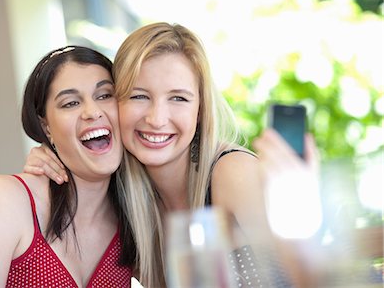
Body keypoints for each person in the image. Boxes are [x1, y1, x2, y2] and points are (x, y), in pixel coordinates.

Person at [24, 23, 317, 287]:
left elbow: (313, 276)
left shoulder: (231, 173)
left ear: (200, 110)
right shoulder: (128, 205)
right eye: (139, 96)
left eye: (178, 98)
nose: (157, 118)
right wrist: (53, 159)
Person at [0, 46, 134, 287]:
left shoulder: (133, 221)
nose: (92, 111)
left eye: (105, 95)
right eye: (70, 103)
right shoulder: (1, 200)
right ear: (47, 128)